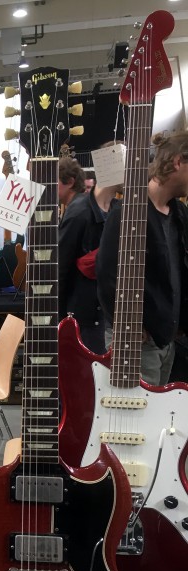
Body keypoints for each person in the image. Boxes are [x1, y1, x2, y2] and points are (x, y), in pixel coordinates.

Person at [96, 131, 188, 385]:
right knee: (136, 408)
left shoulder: (179, 213)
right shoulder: (128, 212)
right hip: (137, 341)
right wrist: (126, 325)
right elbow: (107, 274)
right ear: (178, 162)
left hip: (167, 339)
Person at [59, 146, 122, 355]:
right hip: (85, 318)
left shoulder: (117, 209)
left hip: (104, 316)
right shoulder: (80, 213)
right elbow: (61, 269)